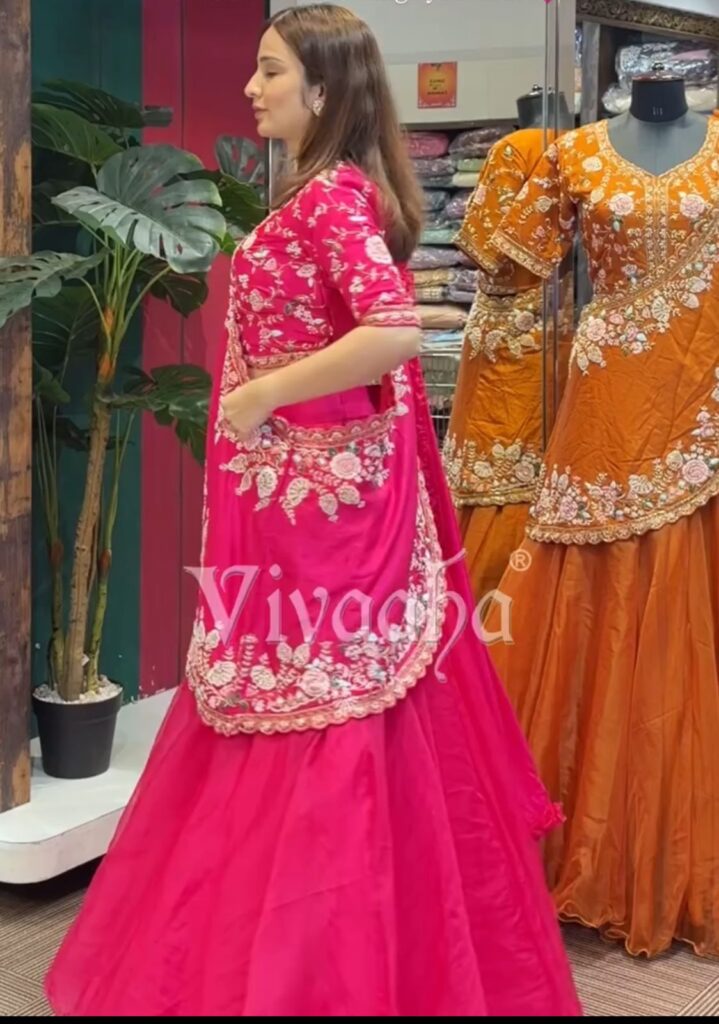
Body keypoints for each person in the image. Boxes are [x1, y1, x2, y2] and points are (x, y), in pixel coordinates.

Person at [45, 6, 580, 1016]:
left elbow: (389, 331)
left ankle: (327, 961)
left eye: (270, 71)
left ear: (324, 88)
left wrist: (261, 396)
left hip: (321, 502)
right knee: (308, 700)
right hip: (303, 492)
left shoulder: (331, 197)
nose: (251, 89)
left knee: (327, 706)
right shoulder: (318, 191)